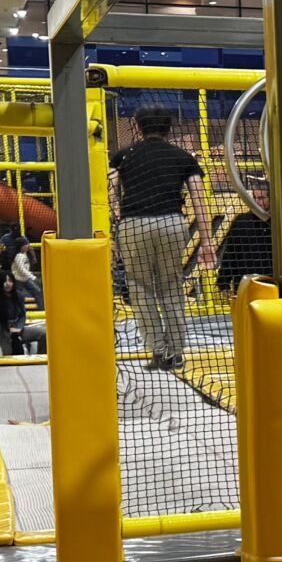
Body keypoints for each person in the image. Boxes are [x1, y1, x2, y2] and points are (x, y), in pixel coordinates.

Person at [110, 105, 213, 370]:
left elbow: (111, 194)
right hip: (171, 223)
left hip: (133, 224)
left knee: (140, 288)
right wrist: (207, 242)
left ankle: (157, 349)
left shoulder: (123, 156)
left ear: (138, 127)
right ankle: (176, 352)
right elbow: (199, 199)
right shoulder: (183, 158)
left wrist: (118, 228)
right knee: (171, 287)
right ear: (169, 128)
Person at [216, 184, 275, 299]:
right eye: (255, 198)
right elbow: (231, 254)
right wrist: (223, 282)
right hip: (245, 286)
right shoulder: (242, 223)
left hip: (273, 286)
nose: (257, 202)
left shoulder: (279, 223)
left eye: (261, 198)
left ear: (271, 199)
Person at [0, 232, 31, 355]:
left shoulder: (18, 296)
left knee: (42, 333)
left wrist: (19, 327)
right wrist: (6, 332)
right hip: (4, 330)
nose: (8, 284)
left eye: (10, 281)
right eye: (5, 282)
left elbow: (23, 314)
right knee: (8, 349)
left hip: (17, 327)